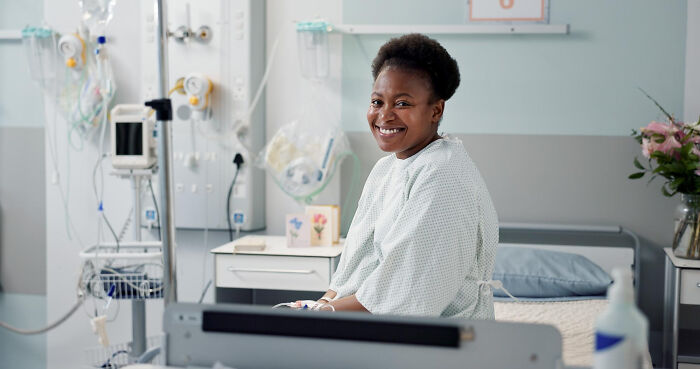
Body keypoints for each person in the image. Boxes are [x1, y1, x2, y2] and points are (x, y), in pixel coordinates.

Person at [315, 33, 498, 318]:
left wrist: (317, 315)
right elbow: (355, 267)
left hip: (446, 342)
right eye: (377, 102)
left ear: (436, 110)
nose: (384, 115)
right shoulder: (385, 170)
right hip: (377, 326)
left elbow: (405, 294)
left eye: (402, 104)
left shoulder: (443, 175)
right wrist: (319, 305)